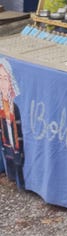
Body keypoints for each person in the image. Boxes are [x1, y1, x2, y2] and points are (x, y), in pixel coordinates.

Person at [0, 58, 25, 189]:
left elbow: (19, 132)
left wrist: (19, 151)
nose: (2, 83)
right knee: (10, 160)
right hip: (6, 145)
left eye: (5, 79)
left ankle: (20, 182)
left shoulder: (15, 107)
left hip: (16, 148)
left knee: (18, 164)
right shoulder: (2, 105)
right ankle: (12, 178)